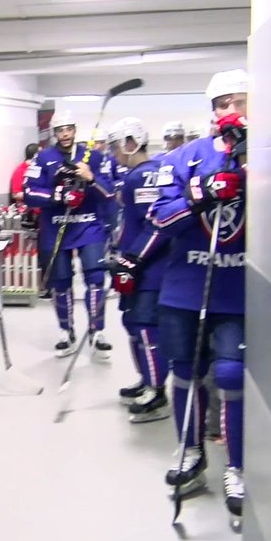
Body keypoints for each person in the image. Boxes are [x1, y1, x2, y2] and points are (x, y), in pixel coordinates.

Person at [139, 69, 249, 524]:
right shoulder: (186, 156)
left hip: (241, 292)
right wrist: (201, 193)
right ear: (212, 110)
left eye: (241, 101)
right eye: (224, 102)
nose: (232, 110)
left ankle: (238, 467)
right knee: (184, 372)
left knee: (231, 373)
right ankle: (189, 450)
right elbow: (159, 217)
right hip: (186, 288)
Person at [24, 111, 117, 356]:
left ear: (75, 130)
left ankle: (97, 332)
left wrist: (90, 177)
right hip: (57, 227)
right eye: (60, 130)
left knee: (95, 278)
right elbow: (29, 193)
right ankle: (67, 331)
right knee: (61, 281)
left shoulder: (93, 156)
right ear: (54, 133)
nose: (65, 134)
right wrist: (58, 195)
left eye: (69, 129)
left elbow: (109, 192)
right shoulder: (43, 158)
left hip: (89, 226)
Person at [107, 118, 173, 424]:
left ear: (131, 143)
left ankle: (157, 391)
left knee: (146, 326)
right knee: (132, 322)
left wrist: (134, 259)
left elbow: (155, 224)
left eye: (115, 146)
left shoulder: (143, 177)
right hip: (134, 264)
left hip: (149, 268)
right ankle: (146, 379)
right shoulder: (134, 176)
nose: (112, 153)